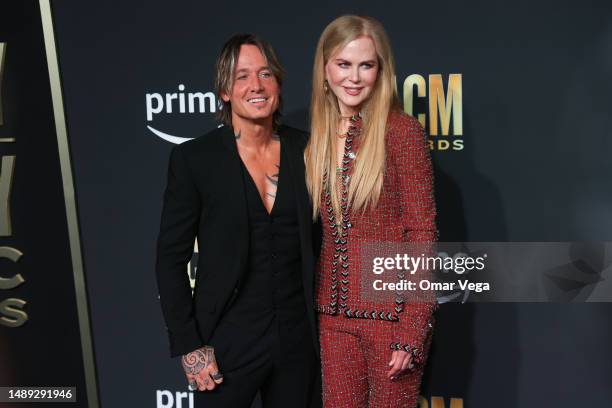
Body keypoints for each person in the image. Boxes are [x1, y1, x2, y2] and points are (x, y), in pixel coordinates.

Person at [156, 33, 320, 407]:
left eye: (265, 73)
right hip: (226, 342)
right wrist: (190, 346)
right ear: (225, 90)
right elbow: (170, 259)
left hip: (299, 339)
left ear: (278, 83)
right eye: (242, 76)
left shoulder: (308, 149)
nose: (256, 86)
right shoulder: (195, 159)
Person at [304, 15, 437, 408]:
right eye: (344, 64)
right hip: (333, 318)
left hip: (391, 316)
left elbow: (422, 233)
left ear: (381, 70)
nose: (354, 77)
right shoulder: (317, 138)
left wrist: (413, 330)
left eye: (367, 65)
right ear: (325, 69)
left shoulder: (401, 132)